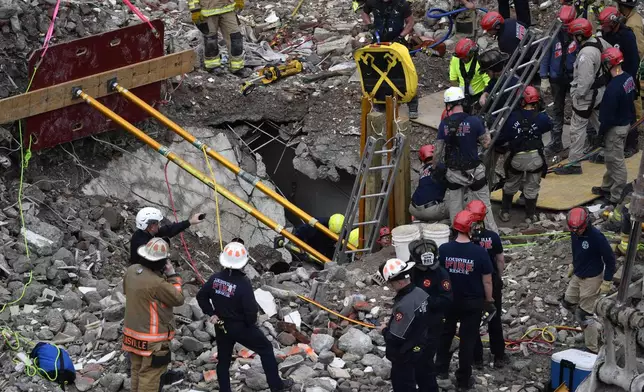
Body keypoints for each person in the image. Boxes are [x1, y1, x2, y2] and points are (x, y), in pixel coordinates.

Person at [197, 242, 294, 392]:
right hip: (240, 326)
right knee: (266, 349)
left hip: (221, 325)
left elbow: (201, 296)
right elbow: (251, 311)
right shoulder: (243, 283)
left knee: (223, 360)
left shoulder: (215, 278)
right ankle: (277, 386)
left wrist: (211, 313)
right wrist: (250, 325)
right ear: (243, 261)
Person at [435, 211, 494, 391]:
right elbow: (487, 280)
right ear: (471, 228)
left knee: (445, 335)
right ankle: (463, 380)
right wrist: (489, 300)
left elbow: (438, 275)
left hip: (449, 300)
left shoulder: (444, 249)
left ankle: (441, 370)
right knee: (467, 341)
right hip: (472, 303)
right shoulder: (480, 252)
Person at [122, 238, 186, 391]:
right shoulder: (157, 283)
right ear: (162, 262)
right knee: (150, 376)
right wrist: (173, 276)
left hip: (132, 336)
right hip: (152, 341)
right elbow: (178, 298)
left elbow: (127, 291)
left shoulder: (132, 271)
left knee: (137, 371)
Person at [435, 87, 498, 232]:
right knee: (484, 204)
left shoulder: (444, 124)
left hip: (454, 172)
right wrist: (486, 125)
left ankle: (458, 235)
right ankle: (492, 236)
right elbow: (486, 143)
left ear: (448, 104)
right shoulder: (474, 121)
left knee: (455, 206)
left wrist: (435, 168)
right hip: (474, 171)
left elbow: (438, 150)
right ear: (462, 102)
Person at [555, 18, 612, 175]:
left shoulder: (585, 54)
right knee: (600, 123)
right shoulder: (599, 42)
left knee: (577, 128)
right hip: (599, 91)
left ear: (579, 36)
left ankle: (574, 163)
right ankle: (608, 153)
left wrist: (577, 95)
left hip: (586, 96)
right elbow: (611, 55)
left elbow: (585, 81)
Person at [563, 207, 616, 352]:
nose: (575, 232)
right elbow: (576, 248)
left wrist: (607, 280)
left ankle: (592, 348)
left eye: (578, 229)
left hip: (592, 278)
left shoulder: (597, 237)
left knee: (584, 314)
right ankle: (589, 330)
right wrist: (574, 264)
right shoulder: (575, 232)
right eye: (573, 229)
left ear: (585, 224)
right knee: (568, 302)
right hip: (579, 274)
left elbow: (610, 260)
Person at [496, 86, 553, 221]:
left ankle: (505, 212)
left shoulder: (511, 117)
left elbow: (503, 137)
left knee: (511, 184)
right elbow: (549, 125)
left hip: (517, 159)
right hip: (536, 159)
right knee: (532, 187)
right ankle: (530, 216)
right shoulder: (542, 118)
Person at [465, 200, 509, 369]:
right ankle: (498, 355)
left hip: (472, 284)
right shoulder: (492, 237)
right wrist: (498, 277)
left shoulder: (465, 238)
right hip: (491, 281)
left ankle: (477, 358)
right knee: (494, 319)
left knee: (473, 321)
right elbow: (500, 260)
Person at [591, 48, 636, 204]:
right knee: (611, 157)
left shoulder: (612, 88)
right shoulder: (628, 78)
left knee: (616, 161)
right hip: (624, 123)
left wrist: (601, 134)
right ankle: (607, 186)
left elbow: (606, 117)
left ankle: (617, 195)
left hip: (615, 128)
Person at [379, 258, 430, 392]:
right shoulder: (420, 292)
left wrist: (384, 330)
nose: (391, 286)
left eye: (392, 283)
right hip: (421, 346)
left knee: (403, 385)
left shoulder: (404, 305)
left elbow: (396, 337)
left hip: (405, 355)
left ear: (400, 281)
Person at [408, 239, 453, 392]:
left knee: (426, 359)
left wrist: (426, 302)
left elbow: (447, 299)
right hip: (412, 322)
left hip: (432, 322)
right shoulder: (411, 271)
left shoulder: (441, 274)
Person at [361, 0, 418, 118]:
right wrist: (369, 25)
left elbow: (410, 22)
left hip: (397, 42)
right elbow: (364, 12)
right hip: (379, 42)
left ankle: (412, 102)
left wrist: (402, 36)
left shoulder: (402, 4)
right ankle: (381, 100)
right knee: (377, 71)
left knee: (405, 71)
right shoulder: (373, 2)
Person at [598, 6, 642, 157]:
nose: (604, 28)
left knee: (629, 110)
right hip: (612, 76)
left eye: (606, 24)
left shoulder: (627, 36)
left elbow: (634, 60)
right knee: (613, 108)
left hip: (625, 76)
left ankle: (632, 143)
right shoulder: (606, 34)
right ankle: (613, 140)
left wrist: (630, 81)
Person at [541, 5, 579, 154]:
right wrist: (544, 77)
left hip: (574, 77)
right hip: (557, 78)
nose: (565, 28)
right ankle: (556, 141)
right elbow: (545, 56)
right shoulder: (553, 34)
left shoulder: (579, 33)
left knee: (580, 108)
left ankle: (583, 140)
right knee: (557, 109)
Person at [130, 207, 205, 265]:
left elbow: (169, 230)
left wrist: (190, 221)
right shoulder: (143, 244)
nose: (159, 225)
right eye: (157, 223)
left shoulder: (146, 232)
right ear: (151, 227)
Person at [618, 0, 644, 157]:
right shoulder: (634, 18)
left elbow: (639, 49)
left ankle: (637, 128)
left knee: (635, 99)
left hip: (637, 67)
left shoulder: (632, 25)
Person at [195, 0, 247, 75]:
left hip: (227, 8)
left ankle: (237, 67)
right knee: (210, 40)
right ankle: (212, 66)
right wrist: (195, 10)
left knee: (235, 37)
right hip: (207, 10)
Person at [449, 38, 491, 113]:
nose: (462, 60)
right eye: (461, 58)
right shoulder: (456, 59)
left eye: (464, 58)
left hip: (478, 95)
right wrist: (456, 97)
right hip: (462, 94)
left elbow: (488, 83)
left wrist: (483, 97)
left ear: (471, 53)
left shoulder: (480, 62)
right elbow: (453, 79)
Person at [409, 145, 449, 222]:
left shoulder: (422, 170)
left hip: (413, 209)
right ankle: (449, 226)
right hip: (431, 211)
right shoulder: (442, 167)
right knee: (458, 204)